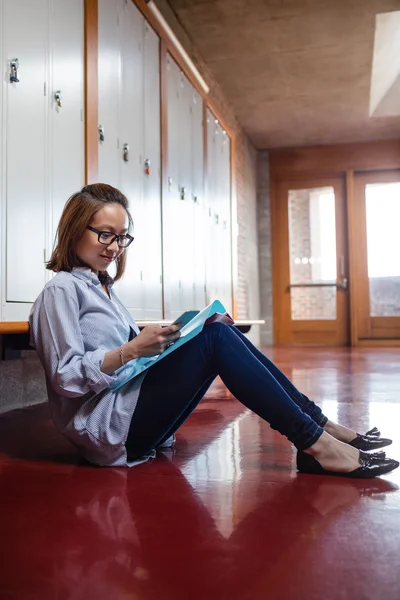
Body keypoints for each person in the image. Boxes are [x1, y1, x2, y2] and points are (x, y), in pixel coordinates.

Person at [29, 184, 398, 477]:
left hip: (131, 409)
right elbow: (65, 377)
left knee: (219, 330)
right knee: (217, 339)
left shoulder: (102, 287)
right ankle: (317, 446)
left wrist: (168, 341)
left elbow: (128, 359)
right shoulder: (61, 290)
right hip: (109, 427)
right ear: (77, 229)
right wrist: (134, 349)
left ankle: (321, 427)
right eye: (104, 235)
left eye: (122, 237)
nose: (115, 247)